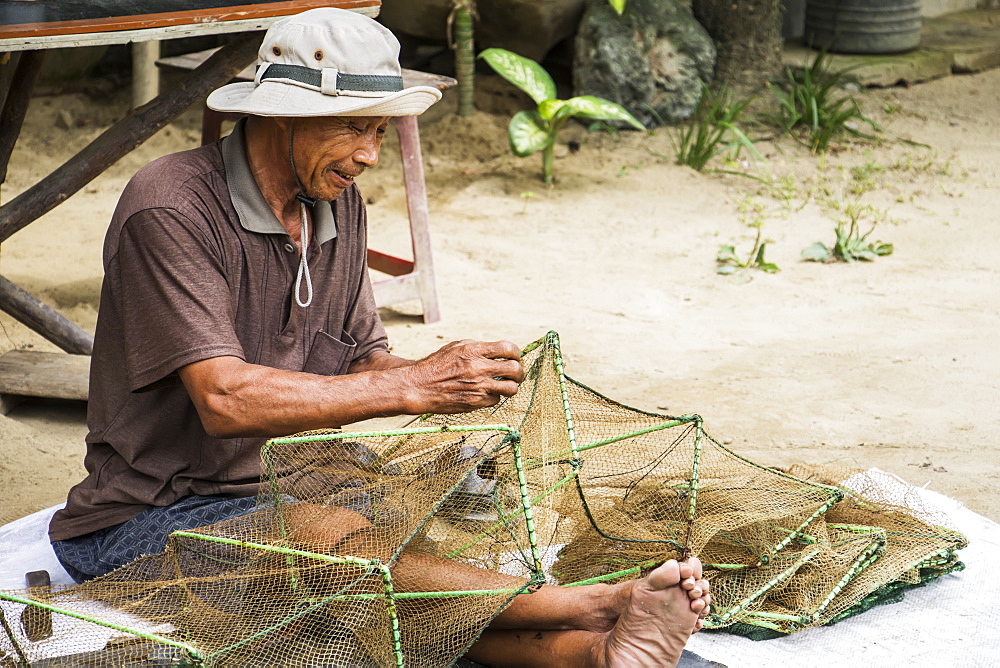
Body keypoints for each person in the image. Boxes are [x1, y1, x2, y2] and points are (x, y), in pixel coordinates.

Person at [48, 8, 709, 666]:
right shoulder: (171, 207)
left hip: (290, 486)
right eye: (352, 128)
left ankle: (593, 655)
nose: (368, 153)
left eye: (380, 131)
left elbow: (369, 359)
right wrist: (417, 384)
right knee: (329, 546)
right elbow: (227, 401)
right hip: (144, 519)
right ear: (282, 112)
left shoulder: (339, 204)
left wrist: (454, 383)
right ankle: (590, 607)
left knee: (423, 535)